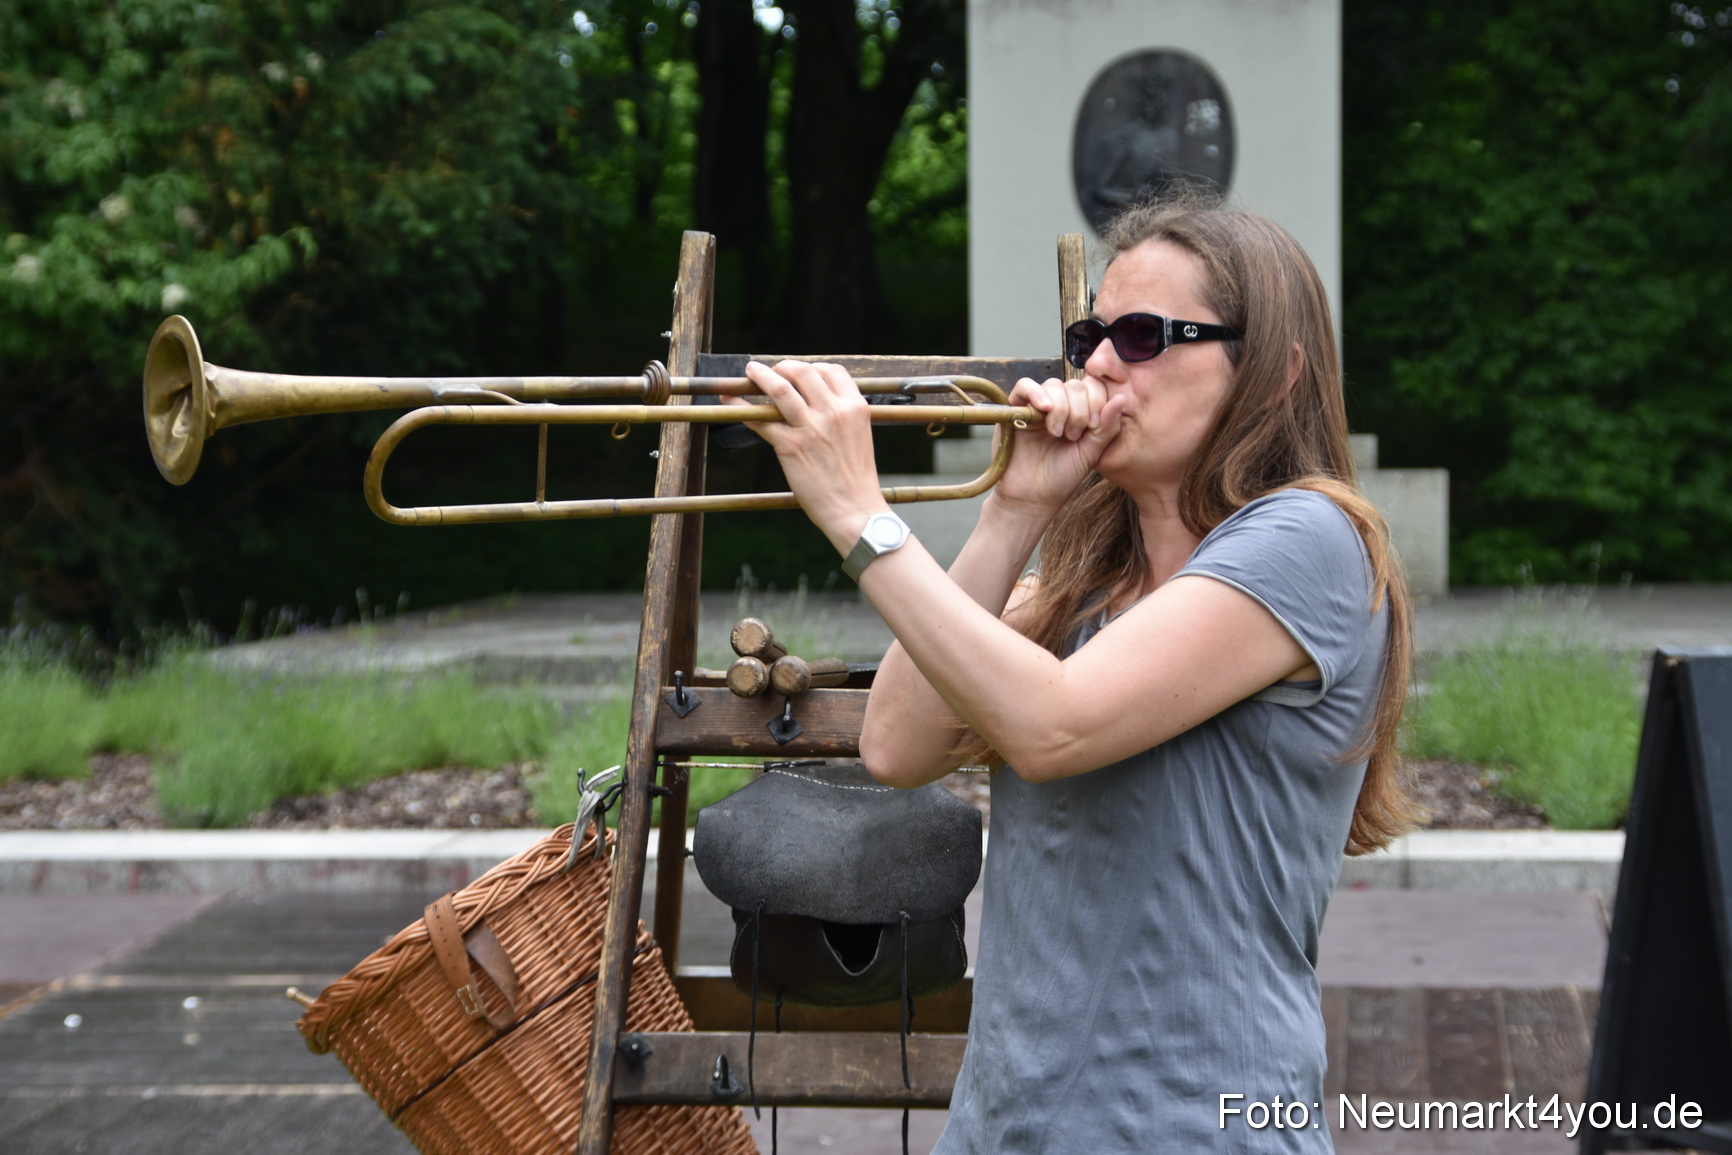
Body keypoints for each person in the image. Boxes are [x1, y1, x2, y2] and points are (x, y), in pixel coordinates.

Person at [728, 193, 1414, 1152]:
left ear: (1271, 370)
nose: (1094, 362)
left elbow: (1054, 728)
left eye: (1141, 335)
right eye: (1094, 331)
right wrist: (1012, 513)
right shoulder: (1085, 580)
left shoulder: (1312, 540)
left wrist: (858, 515)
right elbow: (898, 743)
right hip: (1008, 1125)